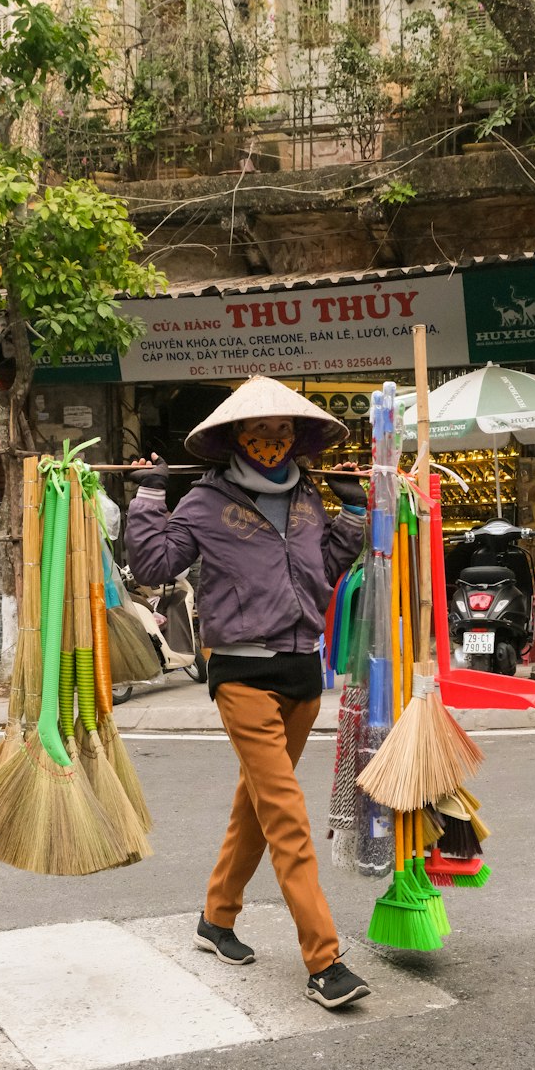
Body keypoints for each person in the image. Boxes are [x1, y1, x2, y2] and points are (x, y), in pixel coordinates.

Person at [126, 377, 371, 1011]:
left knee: (257, 805)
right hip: (240, 672)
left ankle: (217, 916)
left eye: (282, 432)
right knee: (287, 814)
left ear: (296, 438)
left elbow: (328, 567)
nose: (271, 442)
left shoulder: (310, 499)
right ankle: (324, 961)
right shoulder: (206, 502)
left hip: (302, 673)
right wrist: (149, 496)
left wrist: (352, 512)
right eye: (258, 433)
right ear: (236, 438)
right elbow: (154, 567)